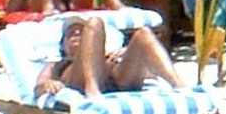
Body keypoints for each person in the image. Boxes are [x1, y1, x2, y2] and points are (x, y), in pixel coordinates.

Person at [34, 13, 183, 99]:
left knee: (144, 33)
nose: (77, 34)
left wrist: (126, 53)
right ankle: (92, 89)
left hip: (117, 82)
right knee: (95, 22)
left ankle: (179, 85)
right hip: (80, 83)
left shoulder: (108, 55)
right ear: (63, 46)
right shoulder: (57, 64)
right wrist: (47, 85)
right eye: (71, 34)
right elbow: (38, 88)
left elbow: (150, 74)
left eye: (82, 32)